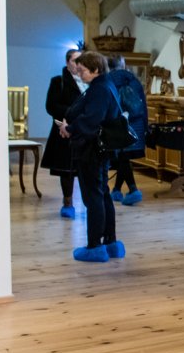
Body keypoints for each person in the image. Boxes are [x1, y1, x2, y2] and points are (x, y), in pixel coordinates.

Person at [58, 51, 124, 263]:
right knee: (102, 194)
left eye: (83, 71)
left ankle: (95, 245)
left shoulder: (99, 89)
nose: (80, 74)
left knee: (93, 197)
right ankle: (110, 242)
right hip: (99, 150)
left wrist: (70, 129)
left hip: (91, 150)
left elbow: (92, 119)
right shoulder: (105, 85)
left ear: (96, 70)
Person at [40, 48, 83, 218]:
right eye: (74, 60)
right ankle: (68, 202)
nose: (78, 64)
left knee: (84, 168)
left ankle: (88, 202)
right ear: (67, 62)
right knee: (67, 170)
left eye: (81, 61)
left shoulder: (88, 80)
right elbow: (51, 106)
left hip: (83, 130)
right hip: (64, 129)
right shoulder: (58, 81)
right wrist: (71, 113)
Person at [106, 54, 148, 206]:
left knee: (122, 156)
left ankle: (133, 189)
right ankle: (116, 190)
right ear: (122, 64)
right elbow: (143, 105)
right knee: (124, 157)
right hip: (136, 123)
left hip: (118, 123)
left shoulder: (108, 80)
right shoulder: (133, 80)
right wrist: (145, 126)